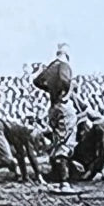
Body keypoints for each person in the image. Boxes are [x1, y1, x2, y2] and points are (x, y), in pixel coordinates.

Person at [32, 44, 78, 194]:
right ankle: (64, 183)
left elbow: (37, 81)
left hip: (53, 107)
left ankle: (58, 177)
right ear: (67, 54)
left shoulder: (51, 67)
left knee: (58, 141)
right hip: (63, 106)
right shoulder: (64, 66)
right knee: (66, 143)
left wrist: (50, 91)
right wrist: (68, 93)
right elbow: (66, 81)